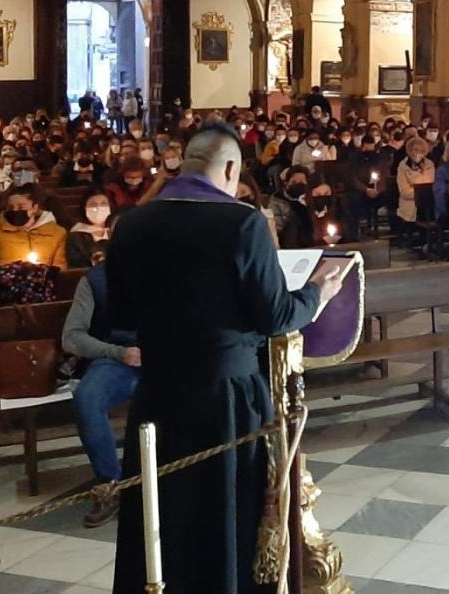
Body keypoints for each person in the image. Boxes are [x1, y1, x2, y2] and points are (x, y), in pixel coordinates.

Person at [105, 123, 348, 594]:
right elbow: (277, 316)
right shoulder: (242, 223)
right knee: (223, 511)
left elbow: (119, 316)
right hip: (227, 398)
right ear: (232, 168)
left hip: (158, 394)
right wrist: (318, 292)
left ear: (183, 163)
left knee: (163, 509)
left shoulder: (132, 223)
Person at [61, 250, 139, 527]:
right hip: (116, 359)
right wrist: (118, 352)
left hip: (165, 359)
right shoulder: (96, 280)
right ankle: (110, 485)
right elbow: (71, 337)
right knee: (88, 398)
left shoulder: (171, 268)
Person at [0, 186, 68, 273]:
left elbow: (60, 269)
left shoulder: (57, 233)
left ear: (35, 208)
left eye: (21, 207)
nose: (15, 211)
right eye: (11, 208)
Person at [66, 188, 114, 268]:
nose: (99, 208)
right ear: (84, 208)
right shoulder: (76, 236)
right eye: (93, 205)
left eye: (103, 204)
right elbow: (76, 265)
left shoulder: (115, 231)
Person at [396, 135, 435, 223]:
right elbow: (404, 192)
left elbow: (430, 186)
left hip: (427, 204)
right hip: (410, 205)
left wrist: (420, 190)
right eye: (416, 150)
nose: (418, 153)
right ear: (410, 150)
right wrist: (420, 192)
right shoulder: (403, 166)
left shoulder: (430, 165)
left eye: (421, 151)